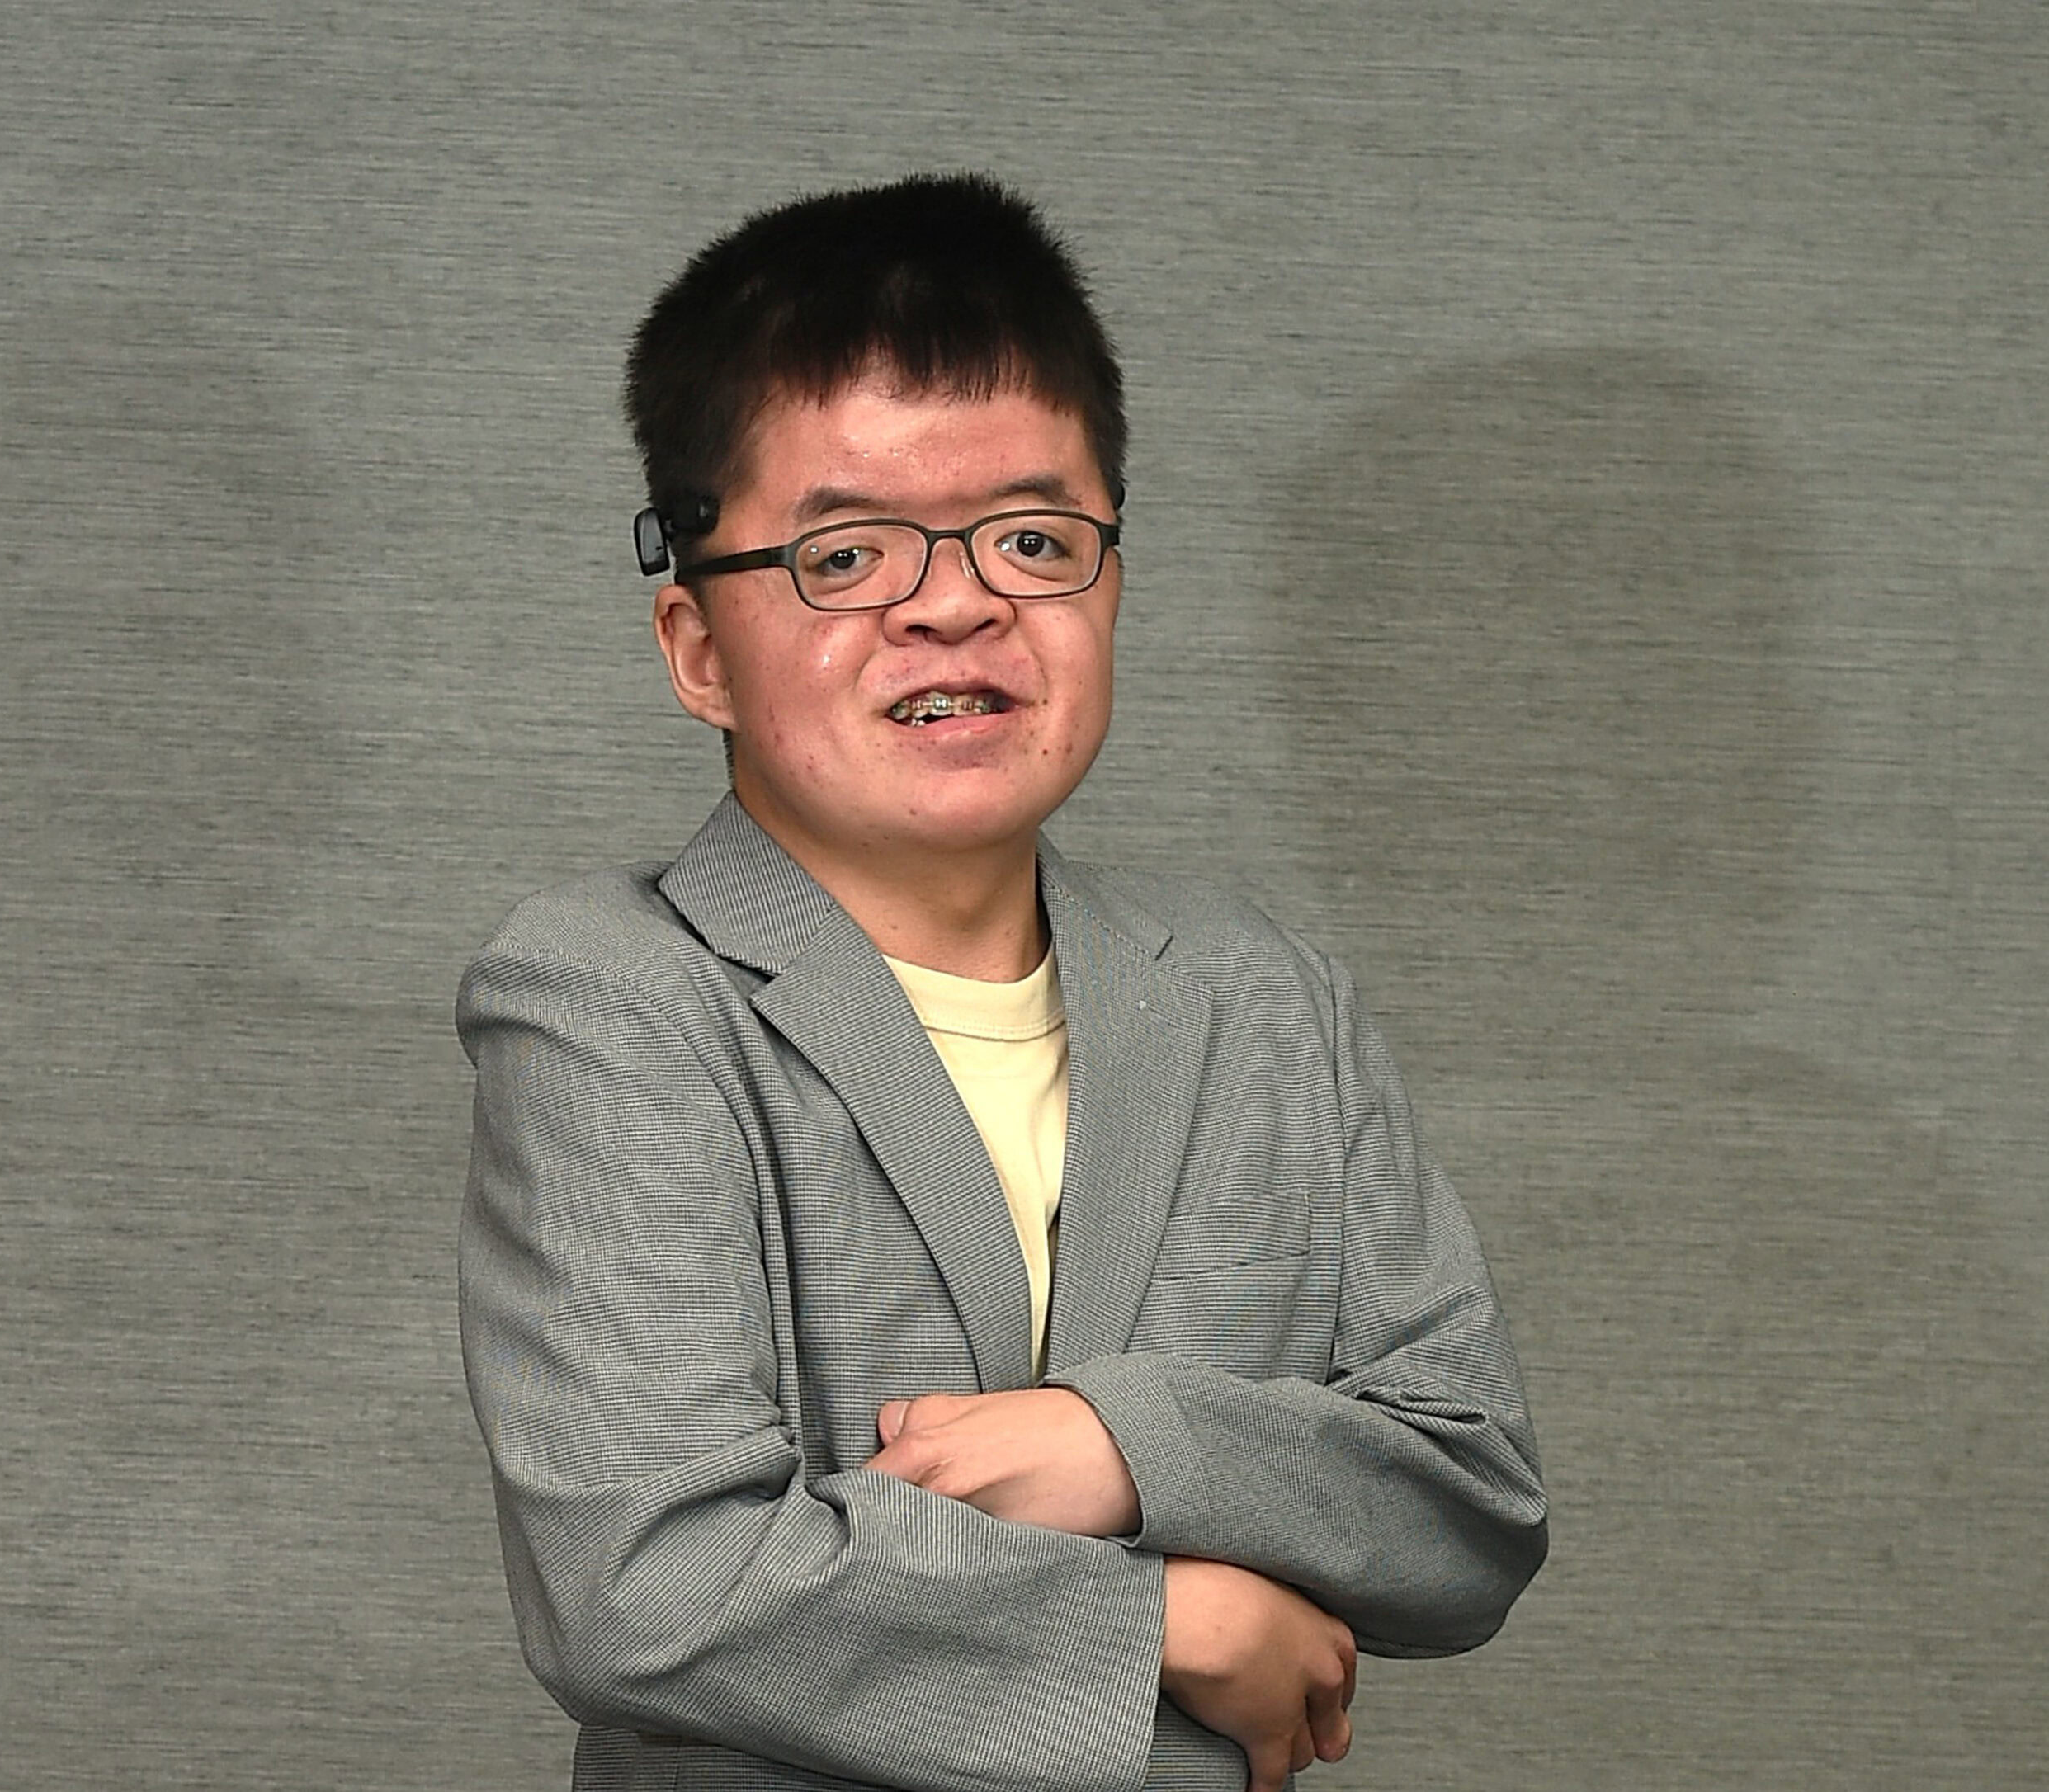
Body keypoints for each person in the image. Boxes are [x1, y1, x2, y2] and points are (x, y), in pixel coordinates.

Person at [455, 172, 1546, 1792]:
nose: (956, 600)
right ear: (697, 649)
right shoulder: (615, 996)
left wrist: (1126, 1447)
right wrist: (1167, 1621)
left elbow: (1468, 1505)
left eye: (1032, 538)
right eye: (846, 554)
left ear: (1110, 581)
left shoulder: (1263, 1001)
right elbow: (647, 1585)